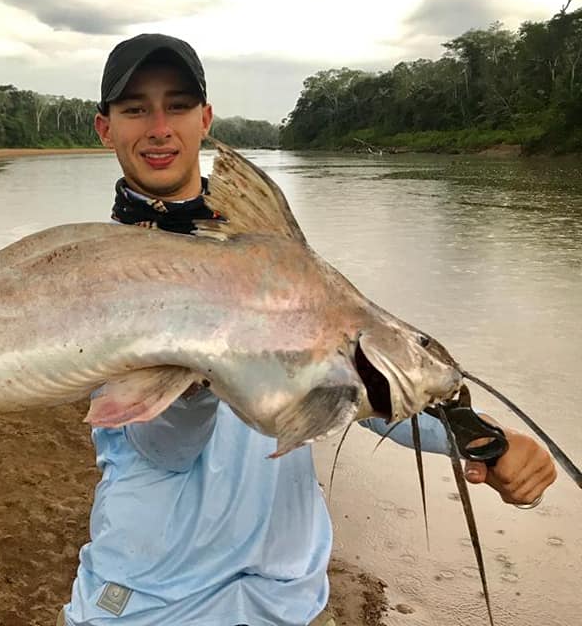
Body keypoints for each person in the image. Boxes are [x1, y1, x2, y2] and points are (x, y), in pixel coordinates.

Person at [57, 34, 558, 626]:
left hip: (284, 600)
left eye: (179, 105)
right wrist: (198, 371)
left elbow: (364, 384)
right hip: (150, 600)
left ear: (205, 118)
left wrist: (483, 439)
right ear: (104, 128)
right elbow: (162, 449)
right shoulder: (98, 276)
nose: (159, 126)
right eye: (135, 108)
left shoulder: (277, 260)